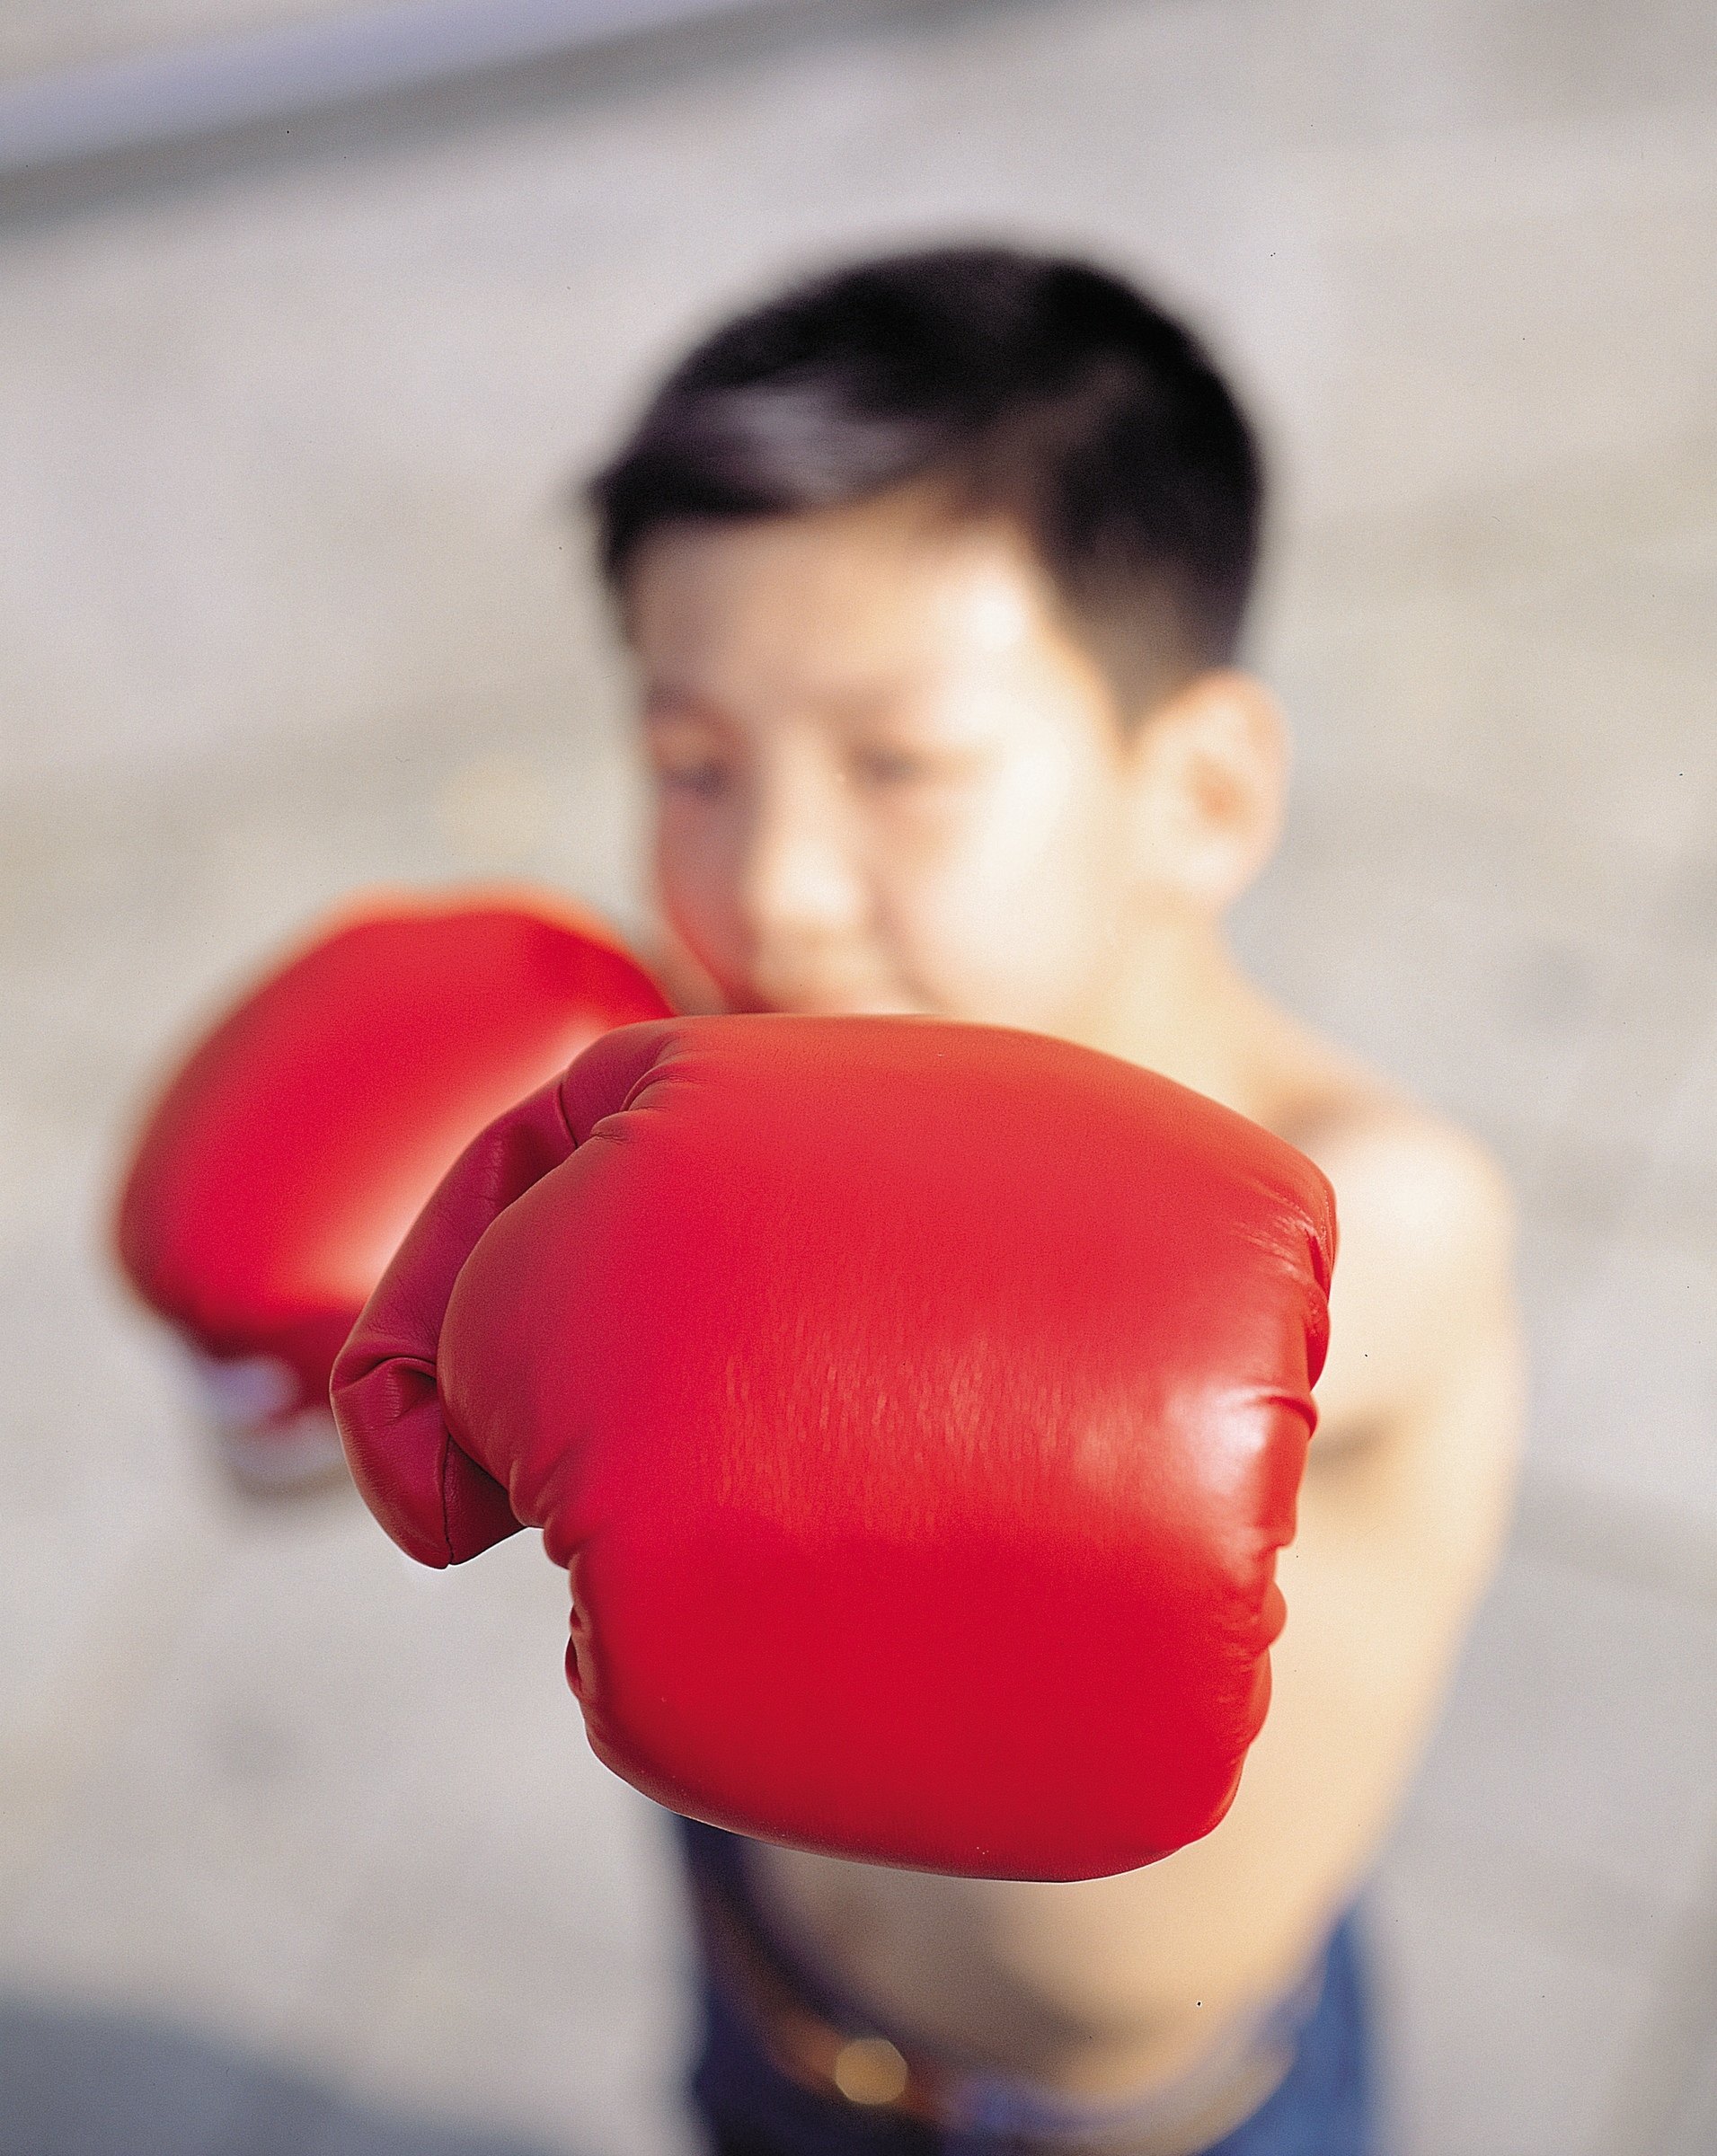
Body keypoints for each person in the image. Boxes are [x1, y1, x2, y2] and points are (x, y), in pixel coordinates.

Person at [577, 244, 1525, 2155]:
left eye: (897, 766)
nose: (774, 891)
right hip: (764, 1995)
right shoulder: (748, 1069)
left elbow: (1088, 1392)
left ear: (1193, 793)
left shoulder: (1371, 1211)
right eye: (693, 762)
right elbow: (316, 1401)